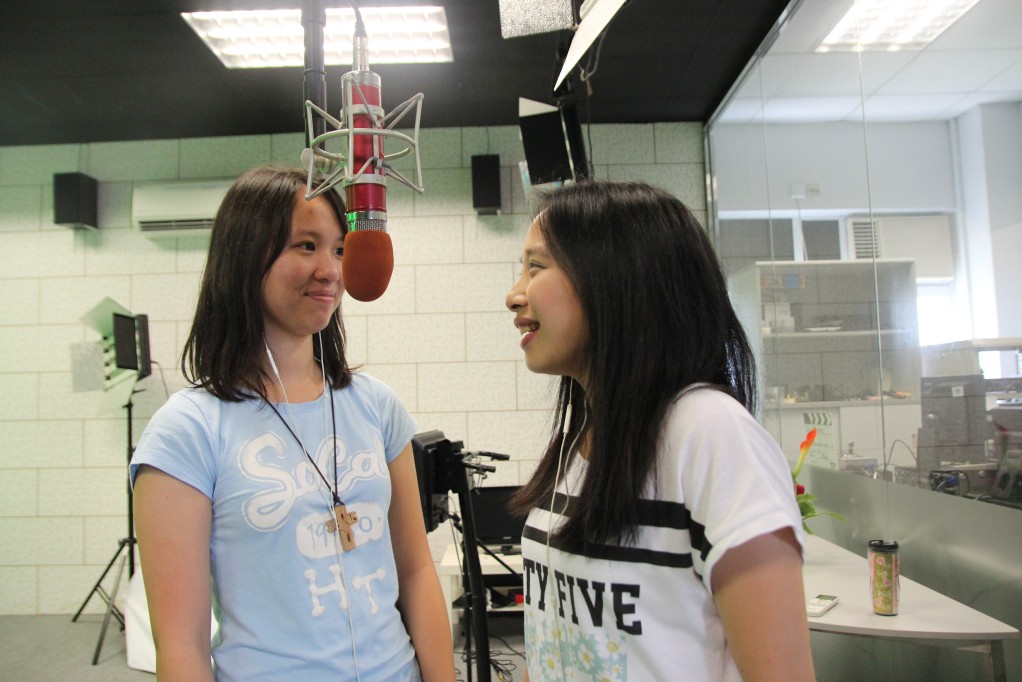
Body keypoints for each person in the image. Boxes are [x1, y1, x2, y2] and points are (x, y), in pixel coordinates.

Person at [131, 166, 455, 682]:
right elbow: (181, 646)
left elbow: (415, 572)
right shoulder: (187, 431)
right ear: (244, 256)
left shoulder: (377, 406)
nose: (330, 270)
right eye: (306, 245)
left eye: (339, 250)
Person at [505, 180, 815, 681]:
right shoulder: (583, 438)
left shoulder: (710, 432)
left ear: (616, 278)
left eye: (535, 267)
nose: (514, 295)